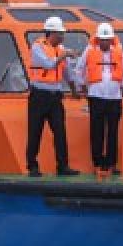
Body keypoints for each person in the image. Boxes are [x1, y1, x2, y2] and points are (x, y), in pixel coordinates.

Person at [26, 15, 80, 177]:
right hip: (39, 96)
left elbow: (68, 74)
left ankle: (63, 166)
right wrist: (64, 55)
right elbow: (49, 64)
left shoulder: (61, 50)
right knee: (35, 131)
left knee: (60, 131)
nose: (62, 36)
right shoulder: (37, 47)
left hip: (55, 96)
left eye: (62, 34)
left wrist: (74, 91)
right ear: (50, 33)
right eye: (59, 33)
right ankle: (32, 166)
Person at [78, 22, 123, 174]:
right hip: (96, 96)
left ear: (112, 40)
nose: (105, 42)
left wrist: (122, 88)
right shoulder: (89, 51)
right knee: (96, 131)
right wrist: (82, 86)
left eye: (108, 39)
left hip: (114, 97)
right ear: (97, 39)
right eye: (102, 39)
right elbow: (79, 68)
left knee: (113, 131)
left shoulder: (118, 52)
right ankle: (97, 162)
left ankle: (111, 163)